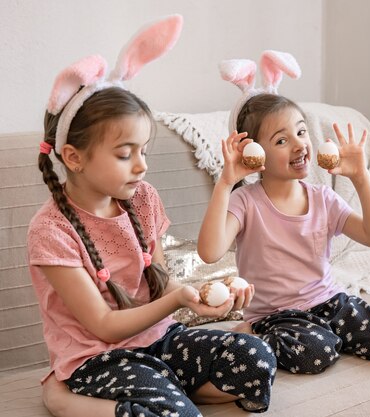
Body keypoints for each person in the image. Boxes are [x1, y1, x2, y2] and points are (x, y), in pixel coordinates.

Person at [29, 16, 276, 417]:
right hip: (99, 359)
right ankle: (63, 399)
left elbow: (160, 282)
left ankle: (165, 387)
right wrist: (178, 301)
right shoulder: (51, 230)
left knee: (257, 357)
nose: (141, 166)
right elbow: (104, 326)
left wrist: (203, 297)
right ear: (74, 158)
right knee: (174, 415)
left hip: (159, 341)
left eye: (144, 150)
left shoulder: (143, 199)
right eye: (126, 154)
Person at [197, 51, 370, 375]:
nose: (300, 145)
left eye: (301, 132)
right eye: (281, 140)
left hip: (329, 302)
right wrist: (226, 182)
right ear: (254, 154)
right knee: (315, 352)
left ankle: (335, 333)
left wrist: (360, 176)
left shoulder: (323, 198)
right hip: (276, 315)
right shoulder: (246, 202)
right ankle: (253, 334)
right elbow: (210, 252)